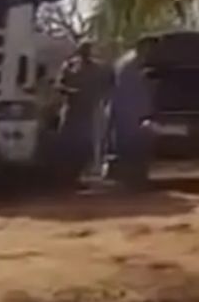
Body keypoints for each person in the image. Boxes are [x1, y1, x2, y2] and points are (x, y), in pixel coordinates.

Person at [56, 40, 112, 184]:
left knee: (86, 143)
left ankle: (81, 174)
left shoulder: (98, 68)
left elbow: (107, 85)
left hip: (88, 110)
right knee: (68, 143)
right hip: (71, 109)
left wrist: (102, 98)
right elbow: (59, 84)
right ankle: (66, 176)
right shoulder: (70, 65)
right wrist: (70, 91)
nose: (86, 52)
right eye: (83, 49)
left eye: (88, 49)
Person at [107, 39, 154, 189]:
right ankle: (133, 181)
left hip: (130, 111)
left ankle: (135, 180)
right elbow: (131, 90)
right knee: (132, 147)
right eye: (149, 47)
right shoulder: (131, 64)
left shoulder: (129, 61)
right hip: (129, 112)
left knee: (134, 147)